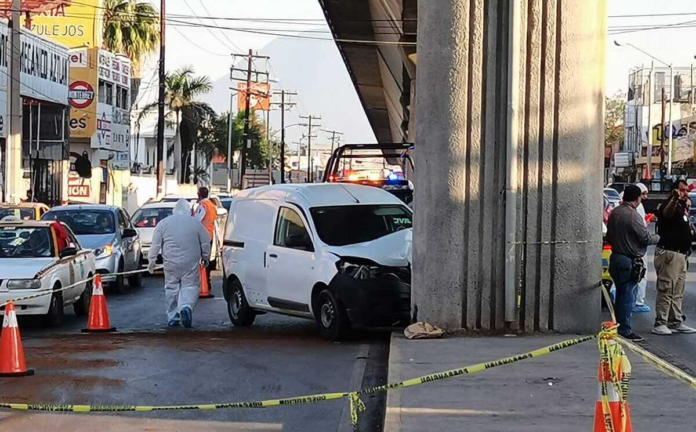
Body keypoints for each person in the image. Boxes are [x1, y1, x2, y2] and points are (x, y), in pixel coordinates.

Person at [606, 185, 659, 342]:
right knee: (628, 297)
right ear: (637, 199)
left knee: (621, 295)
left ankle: (617, 326)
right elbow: (645, 238)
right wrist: (658, 237)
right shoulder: (633, 215)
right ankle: (625, 329)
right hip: (628, 260)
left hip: (616, 257)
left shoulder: (615, 212)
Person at [148, 199, 211, 328]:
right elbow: (205, 242)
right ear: (189, 211)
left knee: (171, 288)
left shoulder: (163, 224)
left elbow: (155, 244)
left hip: (170, 262)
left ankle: (173, 317)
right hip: (190, 262)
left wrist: (152, 260)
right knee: (190, 286)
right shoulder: (196, 224)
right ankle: (186, 307)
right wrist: (206, 257)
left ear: (174, 210)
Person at [652, 180, 696, 336]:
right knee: (666, 288)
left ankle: (675, 320)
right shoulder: (668, 205)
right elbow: (667, 213)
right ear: (675, 191)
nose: (686, 193)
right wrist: (675, 198)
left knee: (678, 289)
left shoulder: (682, 208)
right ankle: (660, 322)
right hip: (670, 253)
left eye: (686, 191)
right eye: (682, 190)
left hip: (681, 254)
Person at [193, 187, 217, 289]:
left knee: (200, 260)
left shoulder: (202, 206)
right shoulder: (212, 205)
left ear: (200, 195)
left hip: (201, 236)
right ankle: (207, 282)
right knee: (206, 259)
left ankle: (202, 283)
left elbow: (196, 220)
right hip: (210, 235)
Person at [633, 183, 651, 313]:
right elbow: (641, 229)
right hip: (638, 246)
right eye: (643, 193)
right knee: (640, 272)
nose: (645, 196)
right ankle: (638, 301)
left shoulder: (621, 209)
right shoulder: (637, 207)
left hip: (629, 247)